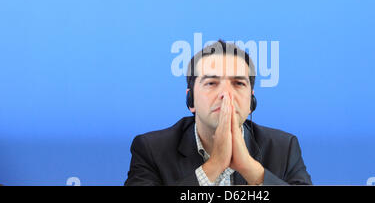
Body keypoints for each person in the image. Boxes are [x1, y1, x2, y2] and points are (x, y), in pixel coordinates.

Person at [124, 40, 312, 185]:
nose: (226, 94)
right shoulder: (151, 149)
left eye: (238, 83)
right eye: (211, 83)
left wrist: (252, 170)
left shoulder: (284, 148)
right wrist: (213, 166)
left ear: (251, 102)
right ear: (191, 100)